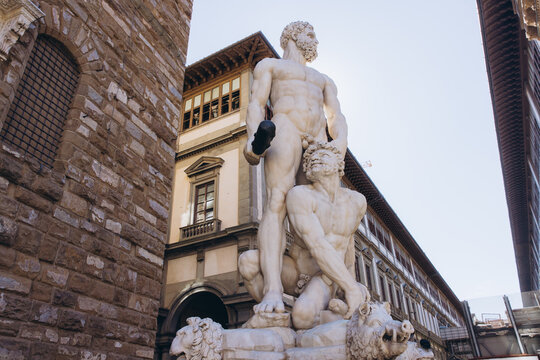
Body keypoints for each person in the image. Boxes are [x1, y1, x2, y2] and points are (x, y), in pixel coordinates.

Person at [243, 21, 348, 314]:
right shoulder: (270, 66)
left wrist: (340, 142)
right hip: (284, 128)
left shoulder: (323, 79)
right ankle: (273, 289)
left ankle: (330, 288)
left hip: (317, 140)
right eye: (310, 33)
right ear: (292, 35)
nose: (315, 39)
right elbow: (256, 103)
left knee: (327, 211)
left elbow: (336, 115)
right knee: (277, 202)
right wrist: (254, 139)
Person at [239, 140, 369, 328]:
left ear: (339, 165)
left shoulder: (357, 201)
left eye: (323, 156)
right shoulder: (300, 195)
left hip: (326, 276)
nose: (315, 159)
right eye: (311, 158)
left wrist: (350, 285)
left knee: (303, 317)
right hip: (297, 271)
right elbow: (317, 244)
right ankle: (276, 318)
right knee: (247, 261)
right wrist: (351, 287)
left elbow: (348, 242)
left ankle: (336, 319)